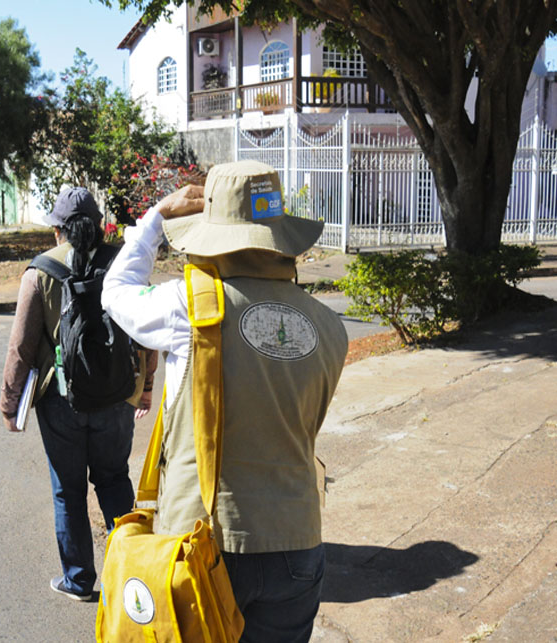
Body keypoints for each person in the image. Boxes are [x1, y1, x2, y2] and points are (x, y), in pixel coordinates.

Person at [101, 161, 348, 641]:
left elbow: (116, 293)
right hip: (298, 541)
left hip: (205, 541)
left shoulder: (186, 306)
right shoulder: (328, 325)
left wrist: (154, 220)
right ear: (280, 238)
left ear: (210, 234)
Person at [0, 186, 157, 602]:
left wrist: (10, 403)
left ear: (58, 230)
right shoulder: (125, 265)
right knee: (113, 479)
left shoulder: (39, 273)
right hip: (118, 395)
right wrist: (146, 388)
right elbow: (145, 334)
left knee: (68, 490)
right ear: (99, 224)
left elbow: (21, 347)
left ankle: (79, 580)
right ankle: (136, 576)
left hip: (61, 403)